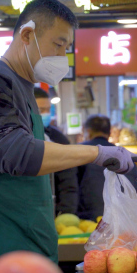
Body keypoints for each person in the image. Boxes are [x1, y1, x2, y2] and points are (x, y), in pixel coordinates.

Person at [0, 0, 137, 265]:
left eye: (67, 47)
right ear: (27, 35)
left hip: (20, 241)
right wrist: (95, 153)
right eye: (58, 44)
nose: (62, 56)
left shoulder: (21, 86)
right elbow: (18, 154)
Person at [77, 115, 137, 221]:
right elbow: (135, 193)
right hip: (124, 219)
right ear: (109, 133)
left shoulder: (81, 152)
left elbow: (71, 189)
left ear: (88, 131)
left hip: (90, 220)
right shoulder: (126, 155)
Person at [33, 88, 79, 216]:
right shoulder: (17, 138)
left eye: (48, 110)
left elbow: (68, 182)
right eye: (41, 111)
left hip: (53, 211)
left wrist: (65, 213)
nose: (46, 114)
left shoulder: (58, 139)